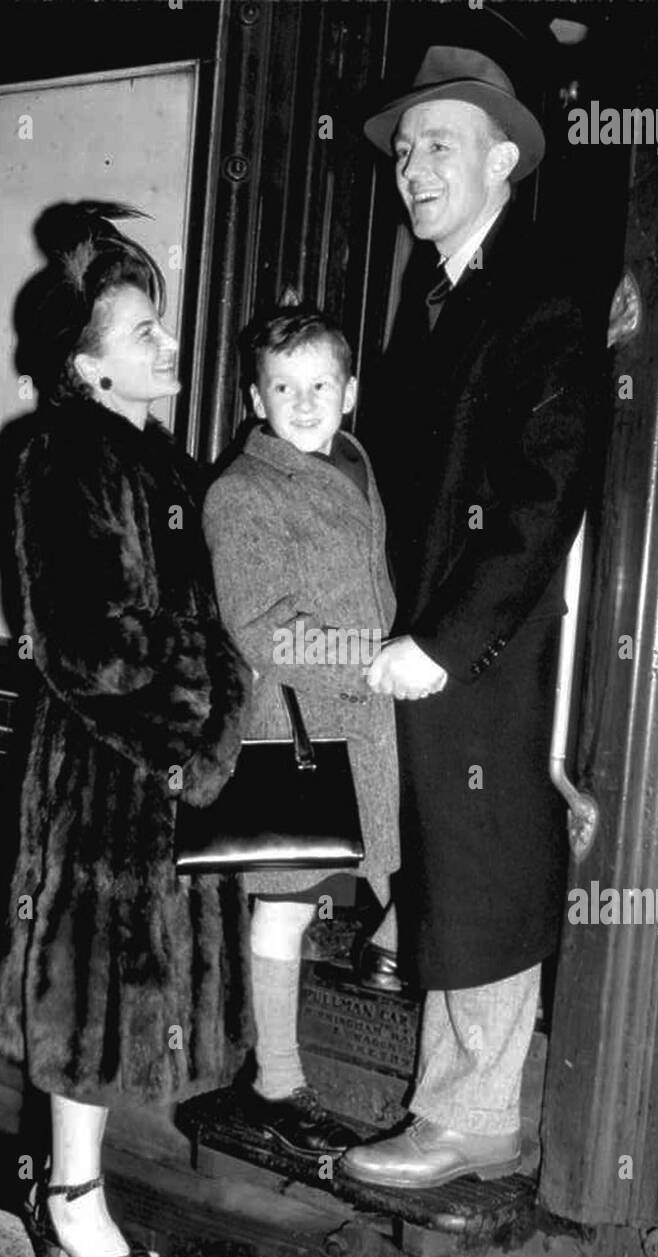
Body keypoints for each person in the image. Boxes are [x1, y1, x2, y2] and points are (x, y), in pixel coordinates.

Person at [342, 47, 602, 1189]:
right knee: (451, 873)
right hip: (432, 647)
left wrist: (443, 645)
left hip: (481, 658)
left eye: (438, 143)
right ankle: (453, 1104)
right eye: (403, 150)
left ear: (503, 158)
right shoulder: (439, 292)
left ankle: (476, 1117)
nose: (412, 166)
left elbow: (543, 498)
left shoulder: (537, 297)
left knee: (483, 873)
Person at [0, 201, 252, 1257]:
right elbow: (90, 648)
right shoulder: (56, 451)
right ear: (87, 363)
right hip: (101, 776)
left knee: (127, 996)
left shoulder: (170, 466)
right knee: (85, 1002)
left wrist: (218, 710)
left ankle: (74, 1186)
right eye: (145, 332)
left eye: (163, 326)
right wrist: (195, 720)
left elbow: (210, 625)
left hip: (161, 773)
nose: (169, 347)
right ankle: (71, 1199)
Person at [202, 306, 399, 1158]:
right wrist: (374, 658)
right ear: (256, 396)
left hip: (372, 726)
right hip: (295, 732)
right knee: (283, 911)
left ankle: (386, 956)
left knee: (408, 867)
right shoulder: (240, 492)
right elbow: (262, 627)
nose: (306, 400)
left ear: (348, 390)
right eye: (285, 387)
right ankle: (275, 1083)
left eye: (321, 384)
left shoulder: (353, 461)